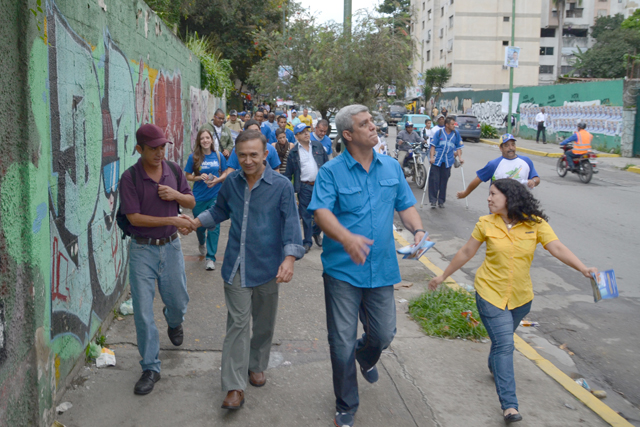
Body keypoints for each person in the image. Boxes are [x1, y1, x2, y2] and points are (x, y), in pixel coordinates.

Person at [428, 178, 597, 424]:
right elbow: (467, 251)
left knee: (500, 344)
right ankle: (509, 406)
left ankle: (494, 364)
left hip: (520, 298)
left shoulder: (535, 224)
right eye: (489, 194)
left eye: (493, 194)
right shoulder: (485, 223)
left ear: (510, 197)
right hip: (490, 294)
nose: (488, 198)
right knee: (506, 345)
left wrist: (582, 268)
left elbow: (557, 247)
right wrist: (443, 275)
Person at [307, 104, 429, 427]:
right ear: (348, 135)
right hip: (343, 271)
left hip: (383, 268)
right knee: (341, 340)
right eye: (365, 124)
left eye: (372, 122)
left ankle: (366, 354)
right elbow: (321, 212)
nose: (373, 127)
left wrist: (417, 231)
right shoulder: (331, 172)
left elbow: (406, 206)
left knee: (384, 333)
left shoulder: (390, 167)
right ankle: (346, 403)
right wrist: (347, 238)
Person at [184, 129, 305, 410]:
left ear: (265, 154)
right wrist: (194, 222)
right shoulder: (232, 183)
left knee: (263, 323)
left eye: (253, 154)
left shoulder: (281, 186)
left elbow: (290, 224)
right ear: (235, 157)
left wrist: (289, 259)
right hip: (236, 265)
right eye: (242, 155)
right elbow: (218, 211)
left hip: (268, 266)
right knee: (238, 325)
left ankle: (257, 363)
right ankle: (234, 386)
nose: (248, 160)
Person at [119, 124, 195, 395]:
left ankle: (174, 320)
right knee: (142, 311)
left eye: (163, 147)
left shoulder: (173, 170)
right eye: (153, 148)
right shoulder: (130, 178)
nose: (159, 152)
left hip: (171, 247)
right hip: (142, 250)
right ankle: (150, 367)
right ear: (140, 149)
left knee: (178, 301)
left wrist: (175, 195)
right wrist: (171, 219)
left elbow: (191, 202)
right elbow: (134, 218)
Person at [184, 129, 227, 270]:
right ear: (199, 141)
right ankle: (201, 242)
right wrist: (198, 177)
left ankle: (210, 258)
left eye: (207, 137)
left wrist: (218, 179)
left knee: (214, 226)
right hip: (199, 197)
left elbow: (226, 171)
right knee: (200, 226)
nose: (205, 140)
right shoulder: (194, 157)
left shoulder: (218, 156)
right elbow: (187, 175)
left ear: (211, 139)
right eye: (202, 138)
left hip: (215, 195)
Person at [284, 123, 329, 253]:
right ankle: (307, 241)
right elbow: (288, 173)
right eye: (302, 132)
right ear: (297, 136)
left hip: (319, 185)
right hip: (304, 187)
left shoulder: (318, 146)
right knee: (307, 215)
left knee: (323, 213)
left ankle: (316, 232)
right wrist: (289, 191)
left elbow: (326, 166)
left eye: (307, 131)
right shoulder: (293, 152)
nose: (306, 133)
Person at [457, 134, 539, 199]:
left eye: (513, 144)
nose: (511, 148)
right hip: (499, 209)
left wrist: (533, 182)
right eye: (507, 145)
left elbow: (536, 178)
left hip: (520, 207)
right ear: (501, 148)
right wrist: (465, 193)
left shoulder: (526, 161)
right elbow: (478, 179)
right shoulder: (494, 164)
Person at [428, 116, 464, 208]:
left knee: (444, 181)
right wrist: (431, 157)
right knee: (434, 180)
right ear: (447, 125)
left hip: (448, 161)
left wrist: (460, 158)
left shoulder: (456, 134)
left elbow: (459, 147)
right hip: (437, 160)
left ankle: (441, 201)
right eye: (452, 124)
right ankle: (433, 200)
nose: (454, 125)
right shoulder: (439, 133)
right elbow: (433, 146)